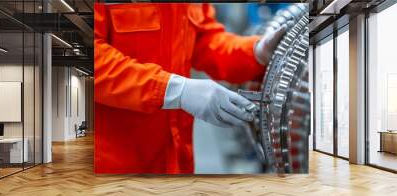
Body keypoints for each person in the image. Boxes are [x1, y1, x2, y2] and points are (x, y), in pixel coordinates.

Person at [94, 3, 287, 174]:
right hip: (116, 163)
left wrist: (254, 52)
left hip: (175, 157)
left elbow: (205, 39)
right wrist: (171, 90)